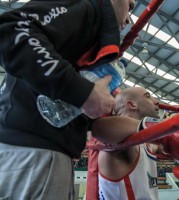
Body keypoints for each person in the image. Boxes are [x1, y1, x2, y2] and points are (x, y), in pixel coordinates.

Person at [0, 0, 135, 199]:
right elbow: (12, 29)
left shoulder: (86, 38)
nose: (129, 19)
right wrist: (83, 92)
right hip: (34, 152)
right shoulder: (88, 8)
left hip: (31, 152)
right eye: (130, 6)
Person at [91, 87, 179, 199]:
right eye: (147, 96)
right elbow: (98, 128)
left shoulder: (149, 144)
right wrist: (159, 127)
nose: (156, 101)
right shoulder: (120, 143)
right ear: (132, 104)